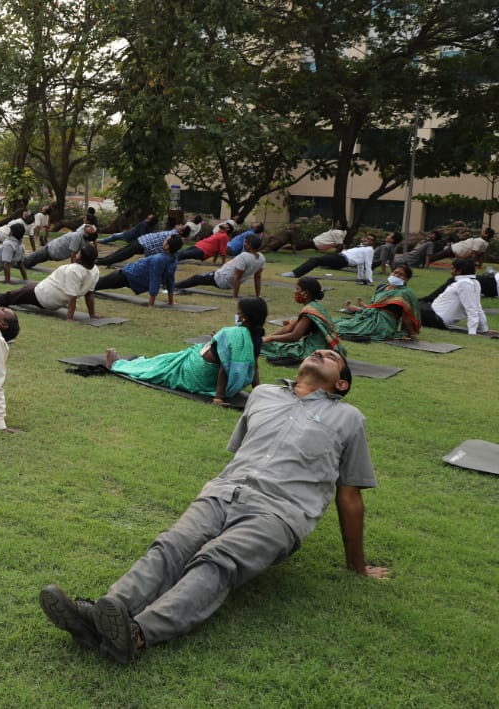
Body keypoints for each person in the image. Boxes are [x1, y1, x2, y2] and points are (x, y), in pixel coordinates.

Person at [40, 348, 384, 664]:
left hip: (281, 511)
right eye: (319, 350)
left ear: (342, 383)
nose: (322, 351)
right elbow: (243, 451)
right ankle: (104, 614)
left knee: (217, 560)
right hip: (223, 491)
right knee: (170, 546)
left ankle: (138, 633)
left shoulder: (349, 418)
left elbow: (350, 495)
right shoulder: (262, 395)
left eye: (333, 357)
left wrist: (357, 566)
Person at [106, 296, 267, 404]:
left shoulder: (230, 334)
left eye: (238, 313)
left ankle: (117, 364)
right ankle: (127, 362)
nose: (236, 316)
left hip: (197, 374)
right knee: (166, 360)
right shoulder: (256, 338)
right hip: (210, 376)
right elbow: (254, 367)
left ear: (244, 317)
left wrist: (218, 398)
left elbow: (225, 368)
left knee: (162, 366)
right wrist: (257, 393)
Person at [0, 244, 100, 320]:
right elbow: (89, 293)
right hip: (45, 291)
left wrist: (69, 318)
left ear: (81, 257)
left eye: (79, 253)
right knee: (16, 293)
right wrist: (92, 314)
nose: (76, 255)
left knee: (12, 296)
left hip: (44, 296)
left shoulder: (74, 271)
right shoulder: (95, 270)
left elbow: (72, 296)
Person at [261, 276, 347, 365]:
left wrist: (270, 338)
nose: (295, 291)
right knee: (267, 344)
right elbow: (289, 327)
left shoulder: (309, 311)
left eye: (297, 289)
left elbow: (294, 336)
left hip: (315, 350)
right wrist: (268, 337)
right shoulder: (314, 306)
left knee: (271, 347)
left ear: (305, 293)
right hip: (325, 347)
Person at [332, 263, 420, 340]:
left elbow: (407, 317)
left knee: (342, 328)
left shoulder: (405, 293)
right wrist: (363, 308)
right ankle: (357, 309)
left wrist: (413, 334)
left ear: (406, 279)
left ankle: (357, 309)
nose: (396, 275)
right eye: (395, 272)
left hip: (384, 324)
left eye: (401, 275)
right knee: (335, 323)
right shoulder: (382, 287)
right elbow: (374, 307)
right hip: (369, 317)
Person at [94, 234, 182, 307]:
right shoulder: (172, 259)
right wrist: (170, 301)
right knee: (95, 284)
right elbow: (168, 280)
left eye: (165, 240)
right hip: (126, 275)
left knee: (96, 284)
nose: (164, 241)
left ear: (167, 246)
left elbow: (158, 280)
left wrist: (151, 304)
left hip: (128, 275)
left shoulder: (162, 260)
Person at [174, 234, 265, 298]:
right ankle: (175, 285)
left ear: (249, 245)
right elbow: (257, 277)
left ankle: (173, 286)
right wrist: (258, 295)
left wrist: (235, 296)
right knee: (198, 278)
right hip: (227, 280)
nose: (243, 244)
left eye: (245, 242)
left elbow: (237, 277)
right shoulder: (261, 258)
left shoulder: (244, 256)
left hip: (222, 279)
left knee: (196, 278)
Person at [419, 257, 489, 334]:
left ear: (459, 271)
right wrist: (484, 329)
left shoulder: (464, 284)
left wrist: (472, 332)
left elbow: (471, 309)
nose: (451, 271)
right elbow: (478, 307)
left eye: (452, 269)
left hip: (437, 318)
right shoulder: (474, 283)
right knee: (415, 303)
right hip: (433, 313)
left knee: (407, 304)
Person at [282, 234, 375, 284]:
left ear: (373, 243)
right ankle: (295, 273)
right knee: (316, 260)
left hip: (342, 260)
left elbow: (367, 264)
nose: (368, 240)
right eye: (367, 238)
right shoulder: (361, 247)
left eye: (370, 240)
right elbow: (360, 265)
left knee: (315, 260)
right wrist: (359, 279)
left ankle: (294, 274)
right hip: (339, 257)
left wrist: (369, 280)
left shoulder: (369, 250)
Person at [97, 223, 186, 267]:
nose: (179, 225)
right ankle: (101, 261)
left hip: (143, 243)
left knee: (121, 254)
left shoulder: (174, 235)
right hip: (143, 242)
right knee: (120, 254)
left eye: (181, 226)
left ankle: (100, 261)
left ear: (181, 231)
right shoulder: (173, 235)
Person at [22, 225, 97, 269]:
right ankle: (17, 262)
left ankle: (13, 262)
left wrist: (73, 269)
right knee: (31, 262)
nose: (90, 226)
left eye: (92, 229)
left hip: (51, 250)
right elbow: (85, 226)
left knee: (26, 261)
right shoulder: (81, 235)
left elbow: (73, 255)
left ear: (88, 235)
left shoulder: (78, 237)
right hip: (52, 249)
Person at [428, 228, 493, 264]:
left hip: (455, 249)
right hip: (457, 250)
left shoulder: (480, 241)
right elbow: (481, 255)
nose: (481, 231)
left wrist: (463, 259)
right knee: (438, 256)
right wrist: (480, 264)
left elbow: (473, 254)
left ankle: (421, 261)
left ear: (486, 235)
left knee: (437, 256)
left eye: (483, 231)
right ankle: (424, 261)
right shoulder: (486, 243)